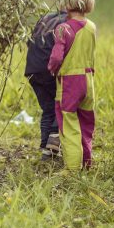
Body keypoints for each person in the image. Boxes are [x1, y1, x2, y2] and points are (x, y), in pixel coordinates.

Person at [47, 0, 97, 172]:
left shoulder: (63, 29)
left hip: (69, 82)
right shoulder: (92, 27)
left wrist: (51, 68)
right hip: (89, 81)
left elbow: (57, 57)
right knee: (86, 125)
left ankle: (73, 169)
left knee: (69, 126)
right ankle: (86, 164)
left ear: (68, 2)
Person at [25, 9, 67, 161]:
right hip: (48, 69)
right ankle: (54, 142)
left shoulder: (46, 18)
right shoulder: (66, 23)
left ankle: (46, 152)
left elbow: (28, 41)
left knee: (48, 109)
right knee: (61, 106)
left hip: (32, 69)